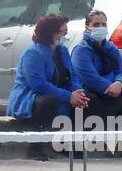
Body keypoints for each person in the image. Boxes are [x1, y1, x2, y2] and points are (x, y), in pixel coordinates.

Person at [7, 13, 89, 157]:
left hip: (60, 92)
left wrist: (78, 91)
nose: (64, 35)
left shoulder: (62, 50)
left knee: (86, 99)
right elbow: (39, 85)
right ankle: (36, 147)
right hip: (30, 98)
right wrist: (68, 96)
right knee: (48, 101)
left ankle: (68, 143)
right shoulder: (33, 53)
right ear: (50, 33)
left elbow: (72, 74)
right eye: (62, 32)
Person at [70, 9, 122, 119]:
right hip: (93, 93)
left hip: (114, 90)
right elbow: (91, 79)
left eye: (103, 24)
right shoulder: (80, 51)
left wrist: (119, 83)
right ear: (87, 27)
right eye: (96, 25)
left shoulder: (111, 48)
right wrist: (120, 92)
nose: (100, 27)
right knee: (92, 100)